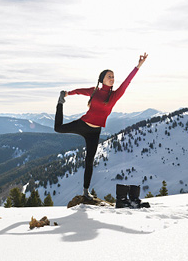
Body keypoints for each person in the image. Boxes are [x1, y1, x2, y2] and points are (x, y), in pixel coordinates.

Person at [54, 53, 148, 199]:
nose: (112, 78)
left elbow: (127, 82)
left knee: (89, 160)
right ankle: (59, 103)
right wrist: (67, 94)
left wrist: (138, 66)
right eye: (109, 76)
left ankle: (86, 191)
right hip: (82, 124)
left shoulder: (115, 95)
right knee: (58, 128)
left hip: (94, 132)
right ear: (102, 79)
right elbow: (80, 91)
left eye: (113, 76)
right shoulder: (94, 91)